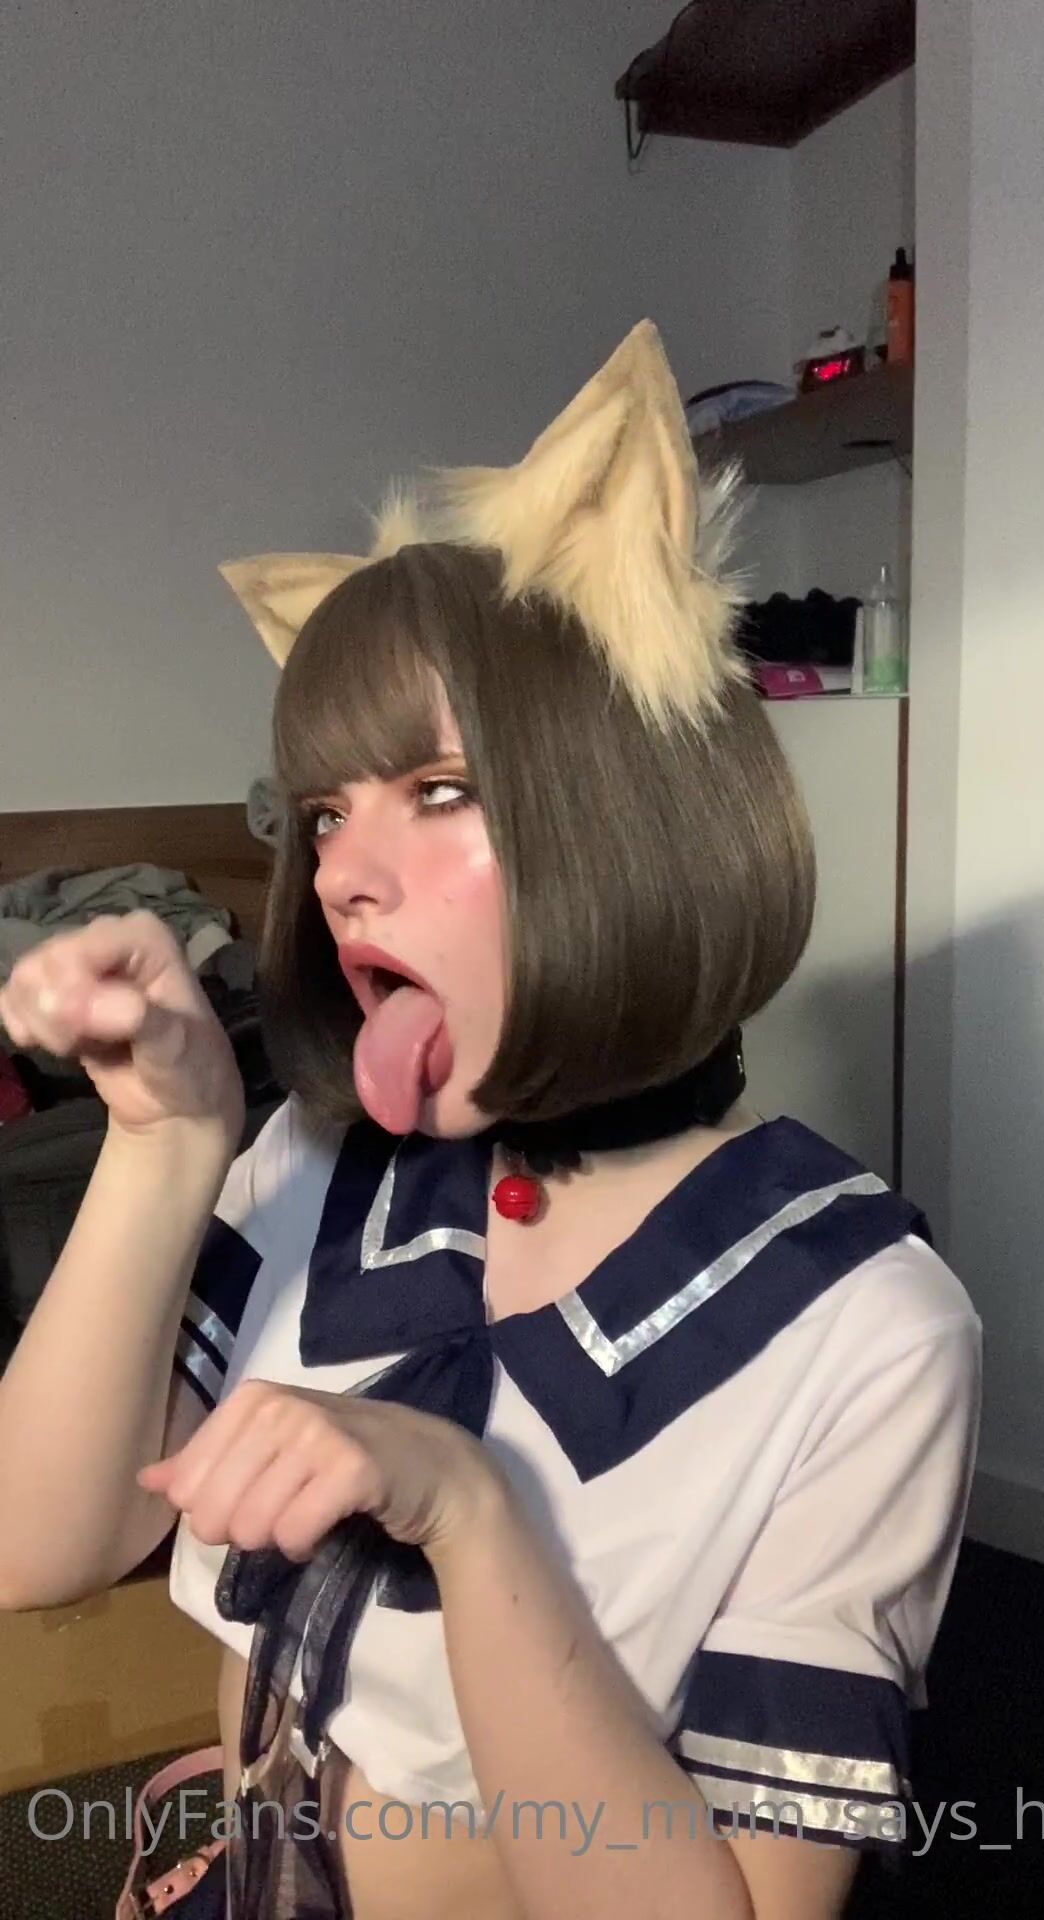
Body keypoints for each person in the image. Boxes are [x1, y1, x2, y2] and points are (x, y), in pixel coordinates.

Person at [0, 322, 981, 1920]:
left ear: (637, 814)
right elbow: (35, 1546)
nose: (340, 873)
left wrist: (465, 1511)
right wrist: (162, 1146)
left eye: (439, 792)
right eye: (327, 812)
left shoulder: (870, 1328)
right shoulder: (315, 1165)